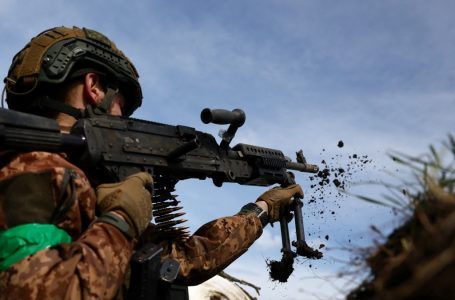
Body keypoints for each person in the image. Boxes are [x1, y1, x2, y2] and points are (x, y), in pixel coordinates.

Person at [0, 26, 304, 299]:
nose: (122, 116)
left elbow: (180, 262)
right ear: (94, 88)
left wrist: (259, 212)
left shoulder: (83, 187)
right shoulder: (35, 171)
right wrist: (121, 219)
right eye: (122, 103)